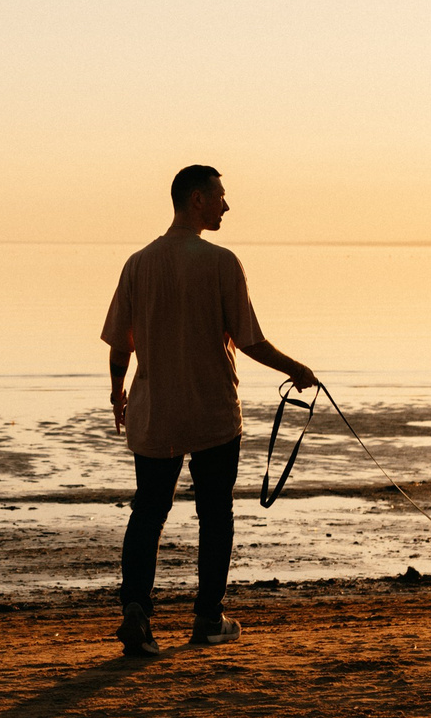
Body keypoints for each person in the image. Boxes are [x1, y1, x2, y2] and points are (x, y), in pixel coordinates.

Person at [100, 165, 314, 657]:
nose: (226, 204)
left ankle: (136, 611)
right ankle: (208, 619)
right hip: (213, 411)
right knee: (215, 514)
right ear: (196, 199)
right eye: (220, 195)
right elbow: (250, 340)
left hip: (154, 412)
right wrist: (297, 369)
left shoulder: (137, 263)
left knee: (148, 512)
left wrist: (118, 394)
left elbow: (120, 347)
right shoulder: (220, 262)